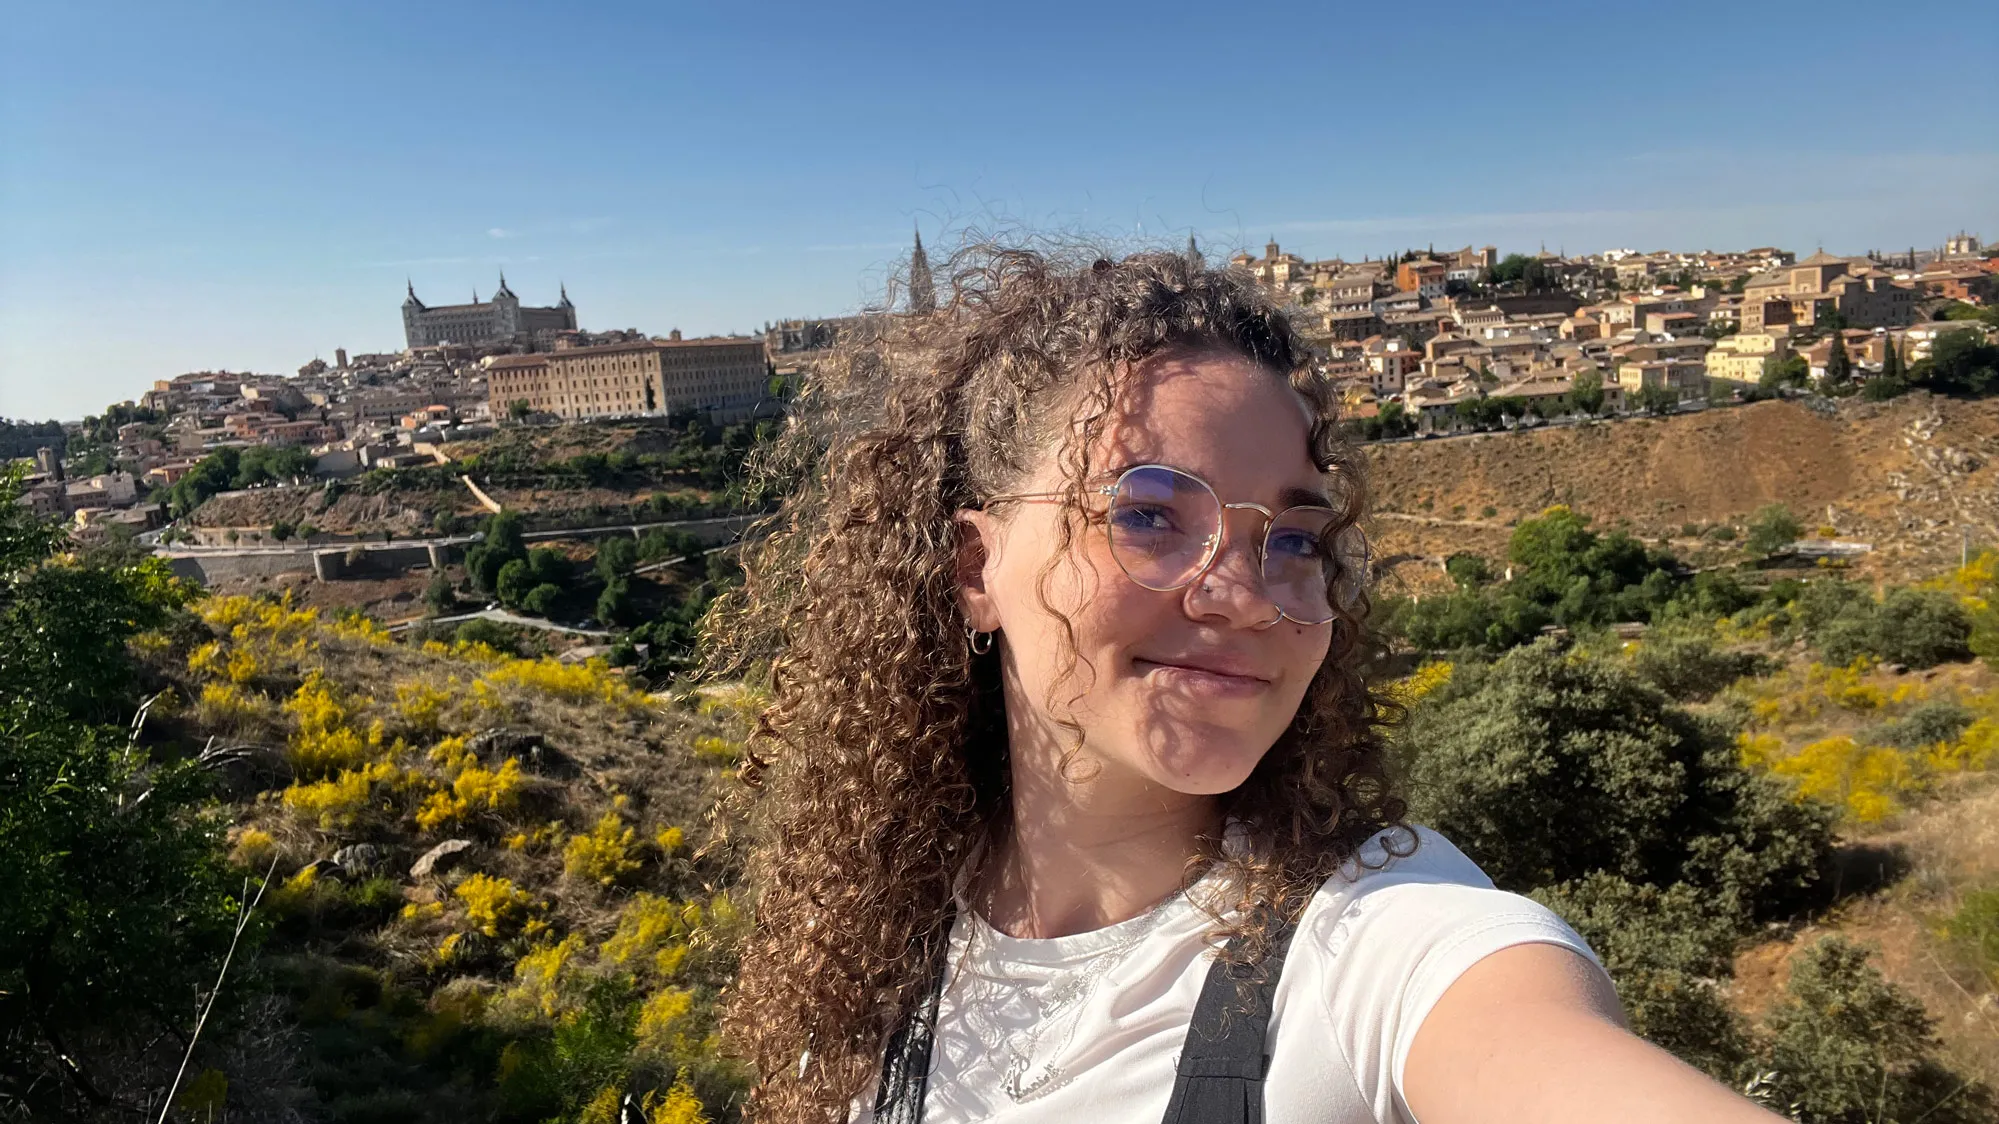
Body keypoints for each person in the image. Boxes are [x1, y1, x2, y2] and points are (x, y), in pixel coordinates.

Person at [706, 246, 1784, 1123]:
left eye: (1297, 538)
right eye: (1145, 514)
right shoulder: (892, 939)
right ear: (975, 568)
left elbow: (1529, 1045)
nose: (1245, 594)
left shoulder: (1375, 942)